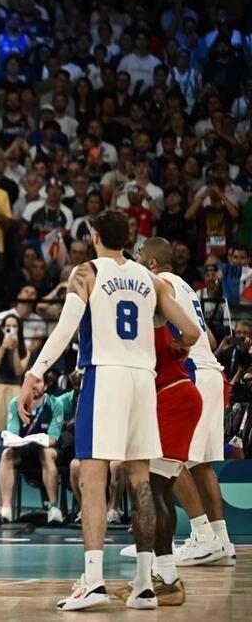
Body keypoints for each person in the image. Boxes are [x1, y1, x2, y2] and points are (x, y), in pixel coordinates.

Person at [19, 210, 199, 611]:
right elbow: (191, 332)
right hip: (143, 379)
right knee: (140, 480)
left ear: (95, 237)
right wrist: (177, 348)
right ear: (126, 239)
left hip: (106, 375)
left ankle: (94, 581)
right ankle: (144, 585)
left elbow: (66, 328)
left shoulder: (86, 273)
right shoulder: (149, 278)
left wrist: (35, 371)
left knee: (93, 479)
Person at [136, 239, 236, 568]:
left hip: (190, 375)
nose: (134, 262)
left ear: (150, 263)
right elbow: (206, 338)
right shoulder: (187, 288)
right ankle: (222, 541)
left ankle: (201, 535)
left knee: (168, 459)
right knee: (200, 464)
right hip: (212, 375)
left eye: (138, 257)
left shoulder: (157, 285)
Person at [0, 371, 65, 525]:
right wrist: (14, 440)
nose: (34, 385)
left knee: (46, 453)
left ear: (46, 386)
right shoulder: (16, 404)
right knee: (7, 454)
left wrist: (38, 440)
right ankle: (6, 508)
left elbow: (53, 438)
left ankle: (54, 509)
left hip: (48, 450)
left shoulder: (55, 404)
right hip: (24, 450)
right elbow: (12, 433)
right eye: (30, 382)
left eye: (38, 381)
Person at [0, 315, 30, 432]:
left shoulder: (25, 352)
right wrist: (3, 347)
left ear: (19, 329)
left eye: (14, 326)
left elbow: (18, 371)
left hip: (16, 391)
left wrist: (14, 350)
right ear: (2, 329)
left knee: (15, 430)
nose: (11, 329)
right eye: (8, 326)